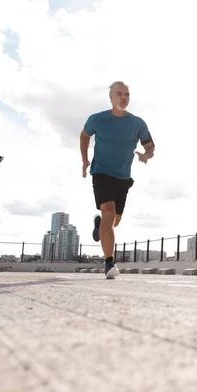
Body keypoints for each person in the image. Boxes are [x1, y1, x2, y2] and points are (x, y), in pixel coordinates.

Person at [80, 81, 155, 279]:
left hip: (123, 177)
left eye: (127, 94)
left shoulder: (138, 123)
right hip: (101, 173)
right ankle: (109, 264)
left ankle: (99, 225)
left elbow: (150, 146)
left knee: (114, 221)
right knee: (108, 211)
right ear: (111, 97)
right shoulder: (97, 119)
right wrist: (85, 161)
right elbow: (84, 136)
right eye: (120, 93)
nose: (124, 97)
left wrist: (147, 155)